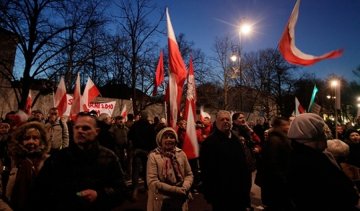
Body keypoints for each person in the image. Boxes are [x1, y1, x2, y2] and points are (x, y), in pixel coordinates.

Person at [29, 111, 128, 211]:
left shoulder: (108, 157)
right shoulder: (58, 158)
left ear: (96, 131)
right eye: (77, 128)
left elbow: (121, 190)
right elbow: (40, 191)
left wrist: (99, 195)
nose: (80, 131)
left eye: (86, 128)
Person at [287, 113, 360, 210]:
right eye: (323, 133)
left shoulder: (315, 155)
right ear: (312, 135)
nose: (326, 137)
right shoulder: (308, 162)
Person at [199, 110, 253, 211]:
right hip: (220, 194)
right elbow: (206, 172)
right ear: (216, 122)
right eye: (222, 119)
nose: (225, 121)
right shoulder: (209, 143)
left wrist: (245, 191)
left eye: (227, 119)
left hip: (238, 192)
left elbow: (243, 166)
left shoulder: (236, 139)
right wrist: (210, 195)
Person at [4, 121, 50, 210]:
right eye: (27, 138)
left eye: (35, 138)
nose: (31, 142)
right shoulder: (13, 161)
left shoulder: (48, 162)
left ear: (41, 141)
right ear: (20, 141)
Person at [146, 127, 193, 211]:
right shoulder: (153, 156)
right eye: (166, 137)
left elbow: (189, 174)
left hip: (180, 198)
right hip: (162, 200)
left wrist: (185, 187)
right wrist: (175, 190)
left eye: (172, 137)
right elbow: (152, 182)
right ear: (160, 140)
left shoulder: (181, 153)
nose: (169, 139)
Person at [255, 116, 293, 211]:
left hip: (277, 183)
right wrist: (283, 179)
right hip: (276, 184)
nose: (288, 127)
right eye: (285, 125)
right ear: (278, 127)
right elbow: (273, 164)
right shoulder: (275, 140)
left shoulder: (281, 138)